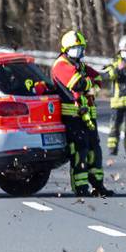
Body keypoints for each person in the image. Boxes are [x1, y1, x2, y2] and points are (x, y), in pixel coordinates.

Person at [51, 29, 113, 197]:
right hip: (72, 117)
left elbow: (98, 79)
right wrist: (89, 83)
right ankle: (81, 187)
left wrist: (91, 82)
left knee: (95, 151)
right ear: (66, 48)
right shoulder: (61, 65)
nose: (79, 51)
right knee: (80, 151)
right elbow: (78, 84)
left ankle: (98, 185)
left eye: (81, 48)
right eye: (75, 48)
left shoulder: (79, 65)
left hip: (87, 117)